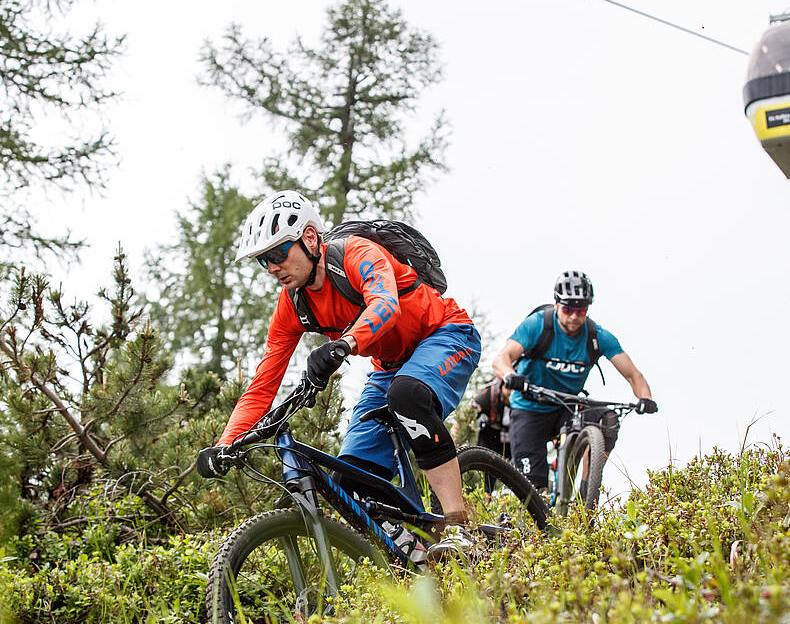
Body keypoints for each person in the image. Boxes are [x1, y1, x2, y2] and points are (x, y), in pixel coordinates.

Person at [196, 190, 481, 558]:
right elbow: (263, 383)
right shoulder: (293, 304)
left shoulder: (356, 254)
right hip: (390, 367)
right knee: (350, 481)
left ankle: (458, 526)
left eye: (278, 253)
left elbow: (385, 305)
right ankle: (416, 552)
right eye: (263, 259)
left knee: (407, 396)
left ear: (310, 238)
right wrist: (226, 444)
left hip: (445, 334)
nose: (271, 267)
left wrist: (343, 345)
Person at [492, 270, 657, 492]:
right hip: (530, 408)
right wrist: (511, 376)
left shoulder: (597, 336)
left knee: (607, 420)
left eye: (580, 310)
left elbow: (633, 375)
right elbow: (502, 359)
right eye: (568, 309)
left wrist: (645, 398)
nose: (573, 316)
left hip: (567, 406)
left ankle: (588, 489)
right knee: (532, 488)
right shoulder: (537, 325)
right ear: (557, 304)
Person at [470, 377, 511, 459]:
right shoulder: (486, 397)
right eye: (509, 389)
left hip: (511, 437)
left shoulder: (524, 399)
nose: (512, 392)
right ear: (502, 386)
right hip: (489, 436)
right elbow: (465, 418)